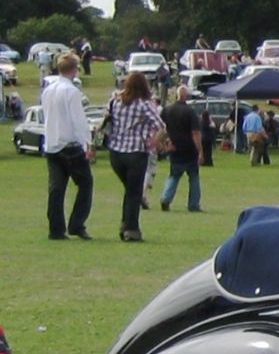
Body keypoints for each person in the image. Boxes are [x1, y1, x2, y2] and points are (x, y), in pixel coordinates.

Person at [103, 72, 165, 242]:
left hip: (115, 153)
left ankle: (125, 224)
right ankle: (131, 228)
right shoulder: (144, 104)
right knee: (134, 191)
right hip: (136, 152)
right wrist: (154, 143)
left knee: (130, 190)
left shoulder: (115, 101)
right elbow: (161, 126)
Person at [42, 53, 94, 241]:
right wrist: (87, 143)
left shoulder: (48, 90)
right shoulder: (71, 91)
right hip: (70, 145)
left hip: (52, 144)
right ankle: (76, 224)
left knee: (56, 189)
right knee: (85, 184)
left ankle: (56, 229)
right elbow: (78, 120)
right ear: (74, 70)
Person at [159, 85, 203, 213]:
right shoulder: (190, 112)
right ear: (187, 96)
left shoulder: (167, 110)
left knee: (174, 175)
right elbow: (195, 133)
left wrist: (165, 144)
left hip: (174, 149)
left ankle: (166, 199)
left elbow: (160, 129)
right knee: (194, 177)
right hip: (189, 150)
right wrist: (200, 151)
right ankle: (193, 205)